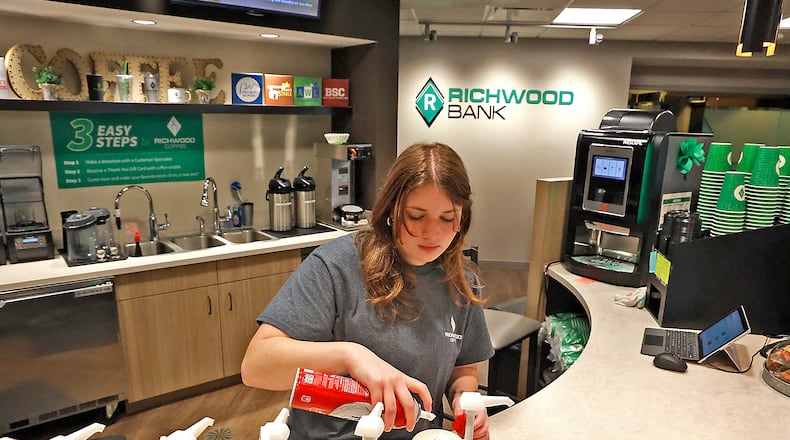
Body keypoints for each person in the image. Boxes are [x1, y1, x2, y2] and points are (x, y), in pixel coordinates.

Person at [241, 142, 494, 439]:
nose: (432, 233)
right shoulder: (336, 266)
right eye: (416, 216)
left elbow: (463, 368)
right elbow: (256, 366)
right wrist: (350, 356)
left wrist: (467, 403)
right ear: (392, 208)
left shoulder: (460, 280)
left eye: (447, 218)